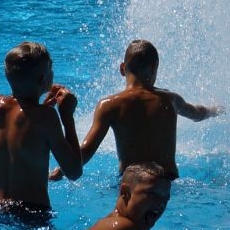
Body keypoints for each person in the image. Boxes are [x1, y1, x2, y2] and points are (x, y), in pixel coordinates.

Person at [53, 39, 220, 182]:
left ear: (122, 68)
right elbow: (197, 114)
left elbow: (86, 150)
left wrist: (62, 169)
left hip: (132, 183)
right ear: (154, 68)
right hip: (166, 181)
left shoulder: (109, 105)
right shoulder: (171, 100)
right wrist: (213, 110)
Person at [0, 40, 82, 214]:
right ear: (43, 79)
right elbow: (74, 172)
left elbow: (24, 125)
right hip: (30, 212)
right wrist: (67, 116)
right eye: (51, 69)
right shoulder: (46, 117)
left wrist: (43, 108)